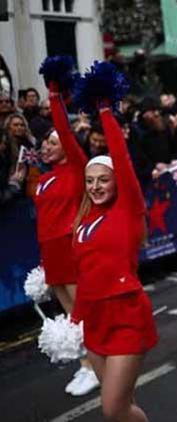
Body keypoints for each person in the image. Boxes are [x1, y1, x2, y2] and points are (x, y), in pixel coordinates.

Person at [71, 98, 157, 422]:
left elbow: (120, 158)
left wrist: (105, 110)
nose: (95, 186)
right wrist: (76, 316)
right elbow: (83, 272)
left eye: (103, 179)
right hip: (93, 317)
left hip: (125, 315)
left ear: (117, 181)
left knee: (113, 408)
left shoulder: (128, 210)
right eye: (90, 181)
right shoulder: (83, 219)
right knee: (121, 403)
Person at [34, 83, 99, 396]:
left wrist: (55, 96)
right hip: (50, 249)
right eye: (46, 142)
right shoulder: (43, 179)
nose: (48, 146)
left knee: (80, 308)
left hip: (69, 245)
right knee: (68, 310)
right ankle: (86, 362)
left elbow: (66, 132)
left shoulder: (76, 167)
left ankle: (93, 365)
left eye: (54, 141)